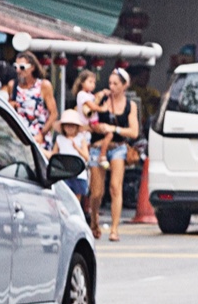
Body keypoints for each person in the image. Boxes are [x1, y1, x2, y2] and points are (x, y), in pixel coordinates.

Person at [86, 67, 141, 242]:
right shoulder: (101, 99)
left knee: (115, 187)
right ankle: (94, 221)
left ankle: (114, 228)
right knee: (96, 192)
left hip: (118, 146)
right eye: (110, 83)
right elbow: (86, 116)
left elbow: (134, 132)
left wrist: (114, 129)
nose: (112, 87)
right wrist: (98, 124)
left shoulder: (129, 105)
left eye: (116, 84)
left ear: (125, 86)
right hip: (97, 146)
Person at [52, 108, 94, 217]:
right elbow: (53, 155)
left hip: (78, 173)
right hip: (64, 173)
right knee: (64, 197)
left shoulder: (81, 139)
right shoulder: (60, 139)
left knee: (76, 200)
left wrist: (77, 148)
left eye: (72, 125)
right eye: (67, 125)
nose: (69, 128)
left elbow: (86, 156)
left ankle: (75, 216)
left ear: (77, 127)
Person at [8, 53, 58, 142]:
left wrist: (42, 133)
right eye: (16, 67)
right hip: (19, 137)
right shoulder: (12, 86)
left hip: (38, 137)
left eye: (22, 67)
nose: (18, 70)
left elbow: (53, 114)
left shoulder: (43, 86)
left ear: (32, 67)